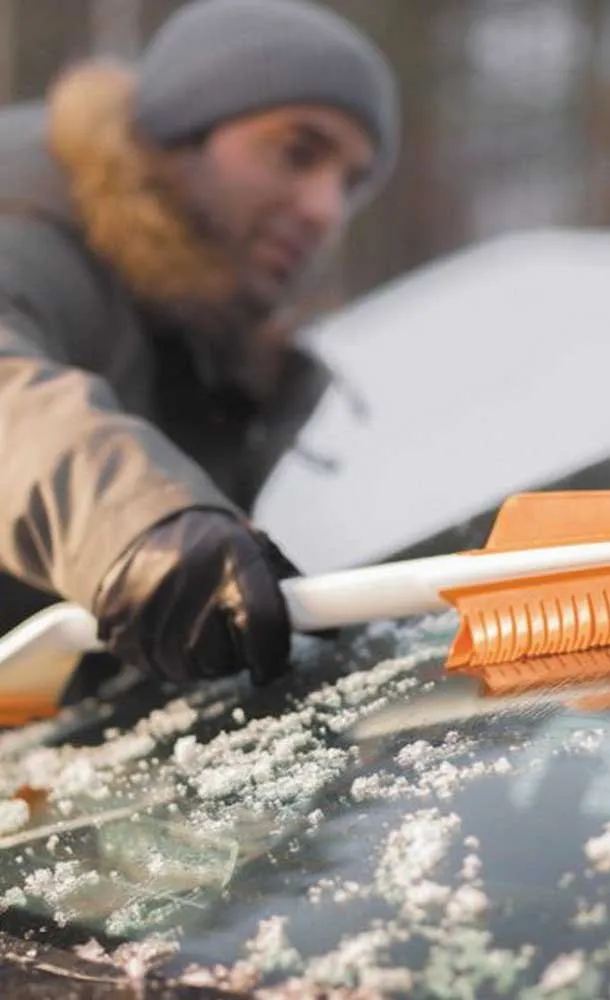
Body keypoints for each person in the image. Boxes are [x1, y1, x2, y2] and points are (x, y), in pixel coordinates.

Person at [0, 0, 399, 690]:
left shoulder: (211, 337)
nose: (325, 209)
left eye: (350, 184)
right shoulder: (26, 218)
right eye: (298, 152)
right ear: (181, 133)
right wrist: (142, 523)